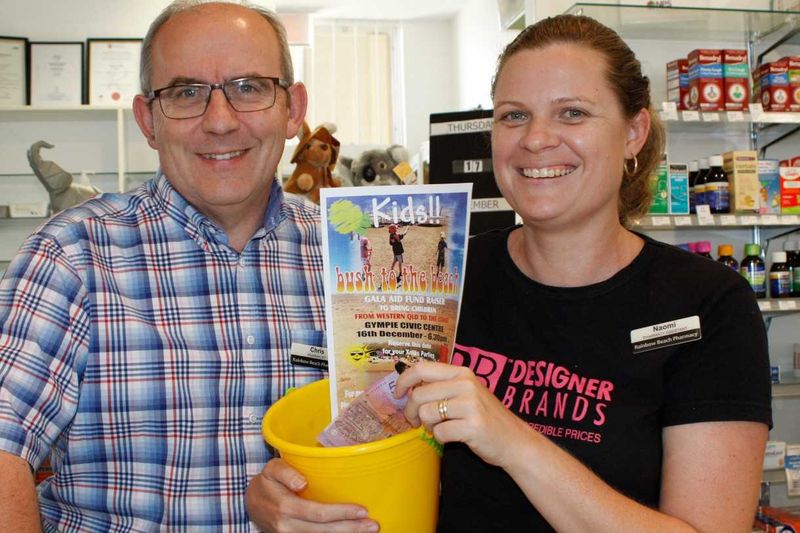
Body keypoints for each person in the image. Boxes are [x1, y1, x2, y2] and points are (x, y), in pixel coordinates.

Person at [251, 14, 772, 533]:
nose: (536, 139)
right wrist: (293, 499)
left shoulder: (706, 304)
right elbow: (379, 466)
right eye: (513, 116)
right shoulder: (441, 277)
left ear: (634, 131)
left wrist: (512, 439)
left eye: (572, 112)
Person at [0, 1, 349, 530]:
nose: (220, 121)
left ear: (294, 109)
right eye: (185, 93)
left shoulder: (351, 256)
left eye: (249, 87)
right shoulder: (71, 256)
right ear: (148, 121)